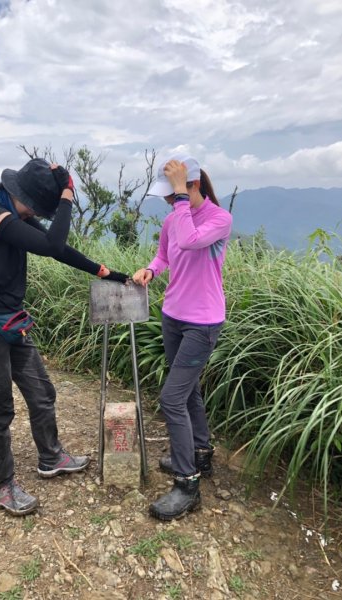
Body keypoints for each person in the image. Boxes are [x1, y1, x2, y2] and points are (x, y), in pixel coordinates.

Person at [0, 158, 128, 516]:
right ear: (21, 195)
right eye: (36, 206)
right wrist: (66, 194)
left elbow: (58, 247)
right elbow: (51, 244)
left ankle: (51, 457)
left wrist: (108, 272)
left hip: (10, 321)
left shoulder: (15, 216)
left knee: (42, 392)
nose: (36, 212)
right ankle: (1, 486)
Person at [132, 153, 232, 521]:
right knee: (187, 391)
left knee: (172, 399)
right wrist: (149, 270)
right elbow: (164, 256)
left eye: (172, 193)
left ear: (193, 185)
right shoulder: (174, 217)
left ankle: (187, 482)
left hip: (202, 323)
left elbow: (190, 241)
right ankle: (200, 453)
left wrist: (179, 197)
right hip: (172, 316)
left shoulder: (220, 219)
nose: (167, 202)